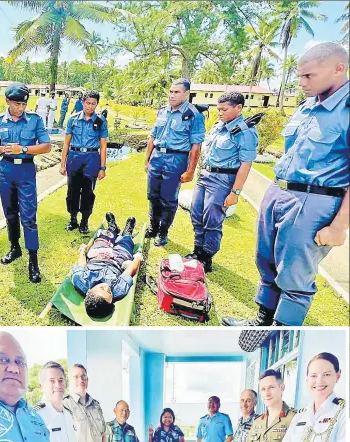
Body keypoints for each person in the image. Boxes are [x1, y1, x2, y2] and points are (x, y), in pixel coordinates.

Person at [223, 43, 349, 327]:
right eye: (300, 76)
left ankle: (281, 334)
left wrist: (339, 226)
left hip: (314, 200)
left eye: (309, 76)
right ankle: (261, 321)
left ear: (338, 69)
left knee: (294, 275)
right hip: (279, 190)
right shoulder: (308, 106)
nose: (302, 83)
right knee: (266, 261)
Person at [186, 91, 258, 272]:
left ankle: (206, 257)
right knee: (196, 214)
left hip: (222, 179)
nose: (220, 112)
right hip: (205, 175)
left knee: (212, 219)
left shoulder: (245, 132)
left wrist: (235, 193)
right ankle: (197, 251)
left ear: (239, 108)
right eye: (218, 109)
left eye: (224, 109)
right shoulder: (219, 126)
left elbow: (245, 164)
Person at [0, 83, 51, 284]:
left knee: (29, 218)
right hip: (6, 171)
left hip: (25, 171)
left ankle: (33, 261)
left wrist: (22, 150)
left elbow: (47, 146)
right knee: (10, 214)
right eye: (17, 104)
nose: (21, 108)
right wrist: (4, 150)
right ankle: (15, 248)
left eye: (24, 104)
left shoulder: (34, 120)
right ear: (7, 101)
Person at [145, 79, 206, 246]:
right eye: (171, 92)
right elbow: (153, 137)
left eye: (176, 92)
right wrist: (147, 160)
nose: (172, 95)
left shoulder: (194, 115)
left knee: (168, 199)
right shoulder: (162, 111)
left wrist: (190, 171)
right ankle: (153, 227)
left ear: (186, 94)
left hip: (176, 159)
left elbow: (196, 146)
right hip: (157, 157)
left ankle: (163, 232)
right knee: (153, 196)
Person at [70, 213, 143, 320]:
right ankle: (128, 233)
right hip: (117, 261)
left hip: (98, 255)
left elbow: (81, 265)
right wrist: (137, 258)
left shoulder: (80, 281)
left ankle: (112, 227)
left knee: (105, 238)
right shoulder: (118, 291)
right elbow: (130, 271)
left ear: (89, 292)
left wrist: (82, 251)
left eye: (102, 288)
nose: (107, 287)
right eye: (109, 292)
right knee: (126, 243)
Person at [61, 90, 109, 233]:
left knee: (88, 191)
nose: (90, 106)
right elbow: (66, 144)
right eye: (88, 103)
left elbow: (103, 145)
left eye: (93, 104)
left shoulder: (100, 121)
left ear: (97, 104)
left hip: (91, 158)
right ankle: (73, 219)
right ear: (83, 103)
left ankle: (84, 222)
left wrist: (103, 167)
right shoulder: (73, 119)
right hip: (74, 157)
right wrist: (62, 164)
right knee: (72, 191)